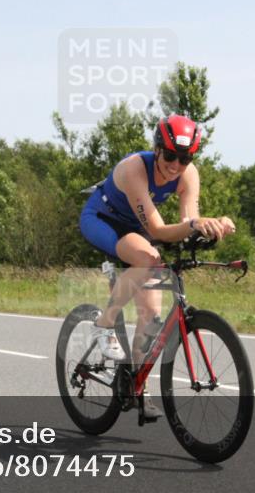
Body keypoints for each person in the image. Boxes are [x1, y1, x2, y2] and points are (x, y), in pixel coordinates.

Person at [78, 114, 236, 417]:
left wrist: (215, 226)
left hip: (138, 229)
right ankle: (104, 324)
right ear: (157, 149)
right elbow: (160, 230)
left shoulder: (188, 174)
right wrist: (195, 225)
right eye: (170, 156)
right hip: (102, 220)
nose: (176, 165)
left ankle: (137, 386)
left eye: (185, 158)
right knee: (149, 259)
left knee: (151, 315)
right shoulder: (134, 168)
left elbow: (188, 222)